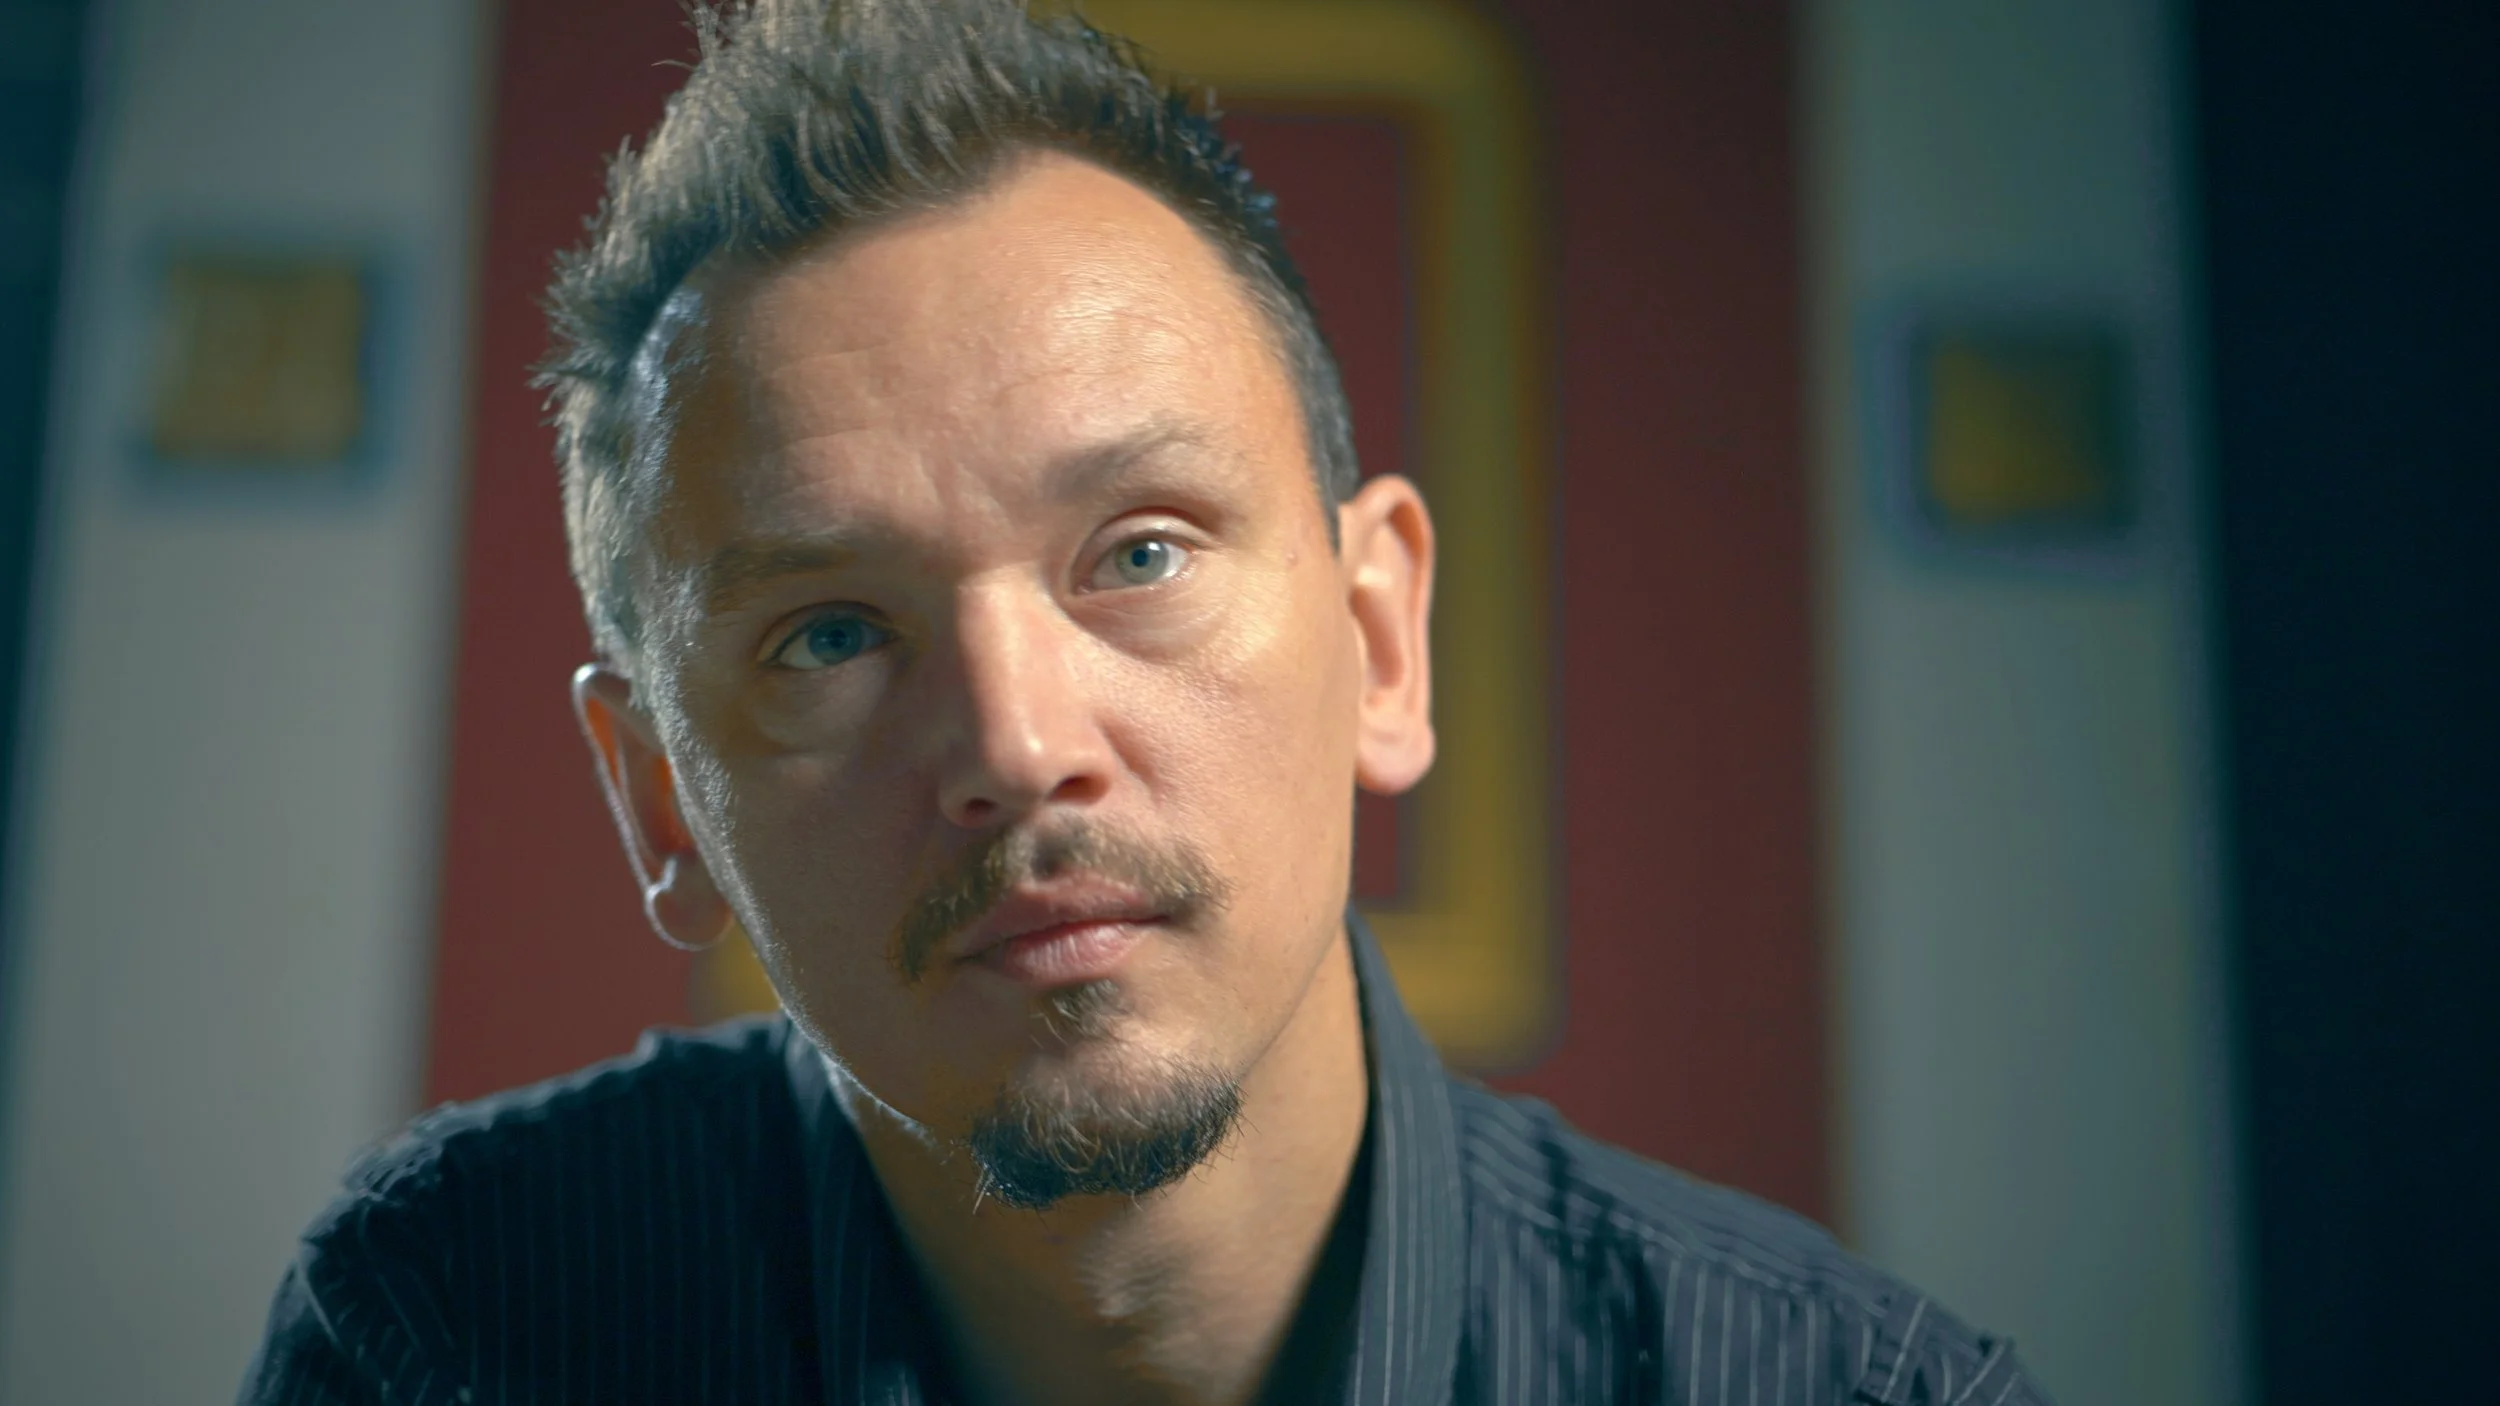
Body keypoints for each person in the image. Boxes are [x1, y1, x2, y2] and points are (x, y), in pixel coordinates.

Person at [242, 2, 2053, 1401]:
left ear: (1383, 641)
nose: (1020, 745)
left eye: (1140, 553)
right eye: (831, 634)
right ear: (659, 802)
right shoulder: (448, 1331)